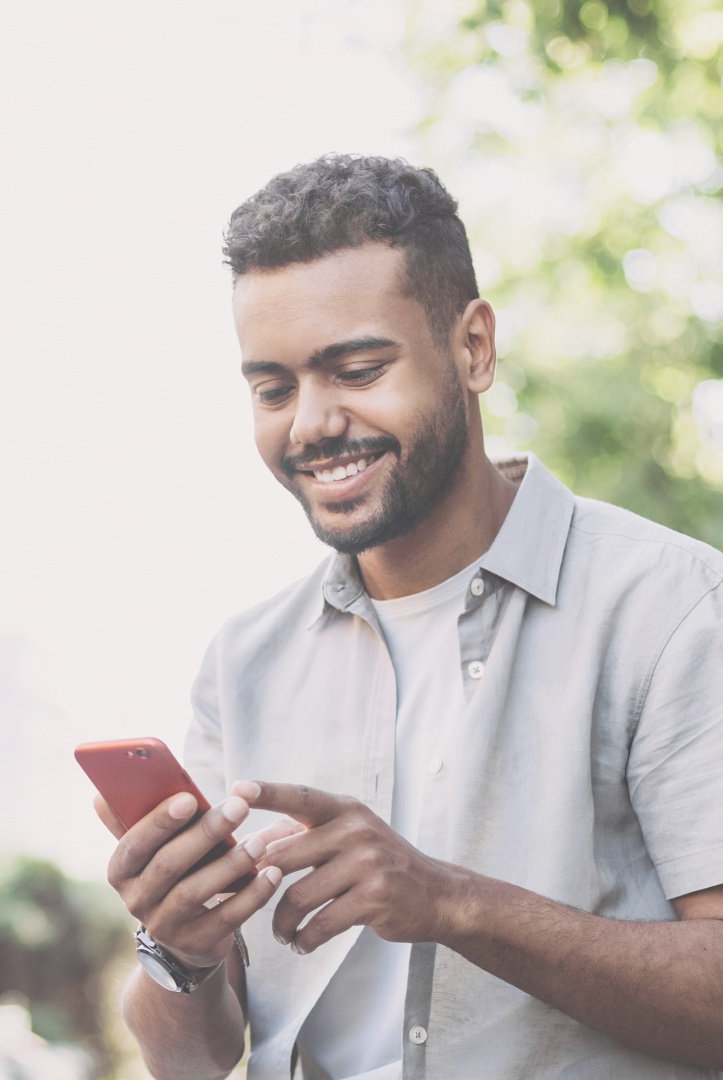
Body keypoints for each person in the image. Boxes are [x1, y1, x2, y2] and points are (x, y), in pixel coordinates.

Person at [95, 154, 723, 1079]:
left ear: (472, 347)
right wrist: (176, 950)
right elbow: (192, 1061)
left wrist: (450, 903)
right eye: (272, 389)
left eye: (354, 368)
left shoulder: (668, 608)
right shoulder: (244, 661)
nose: (309, 423)